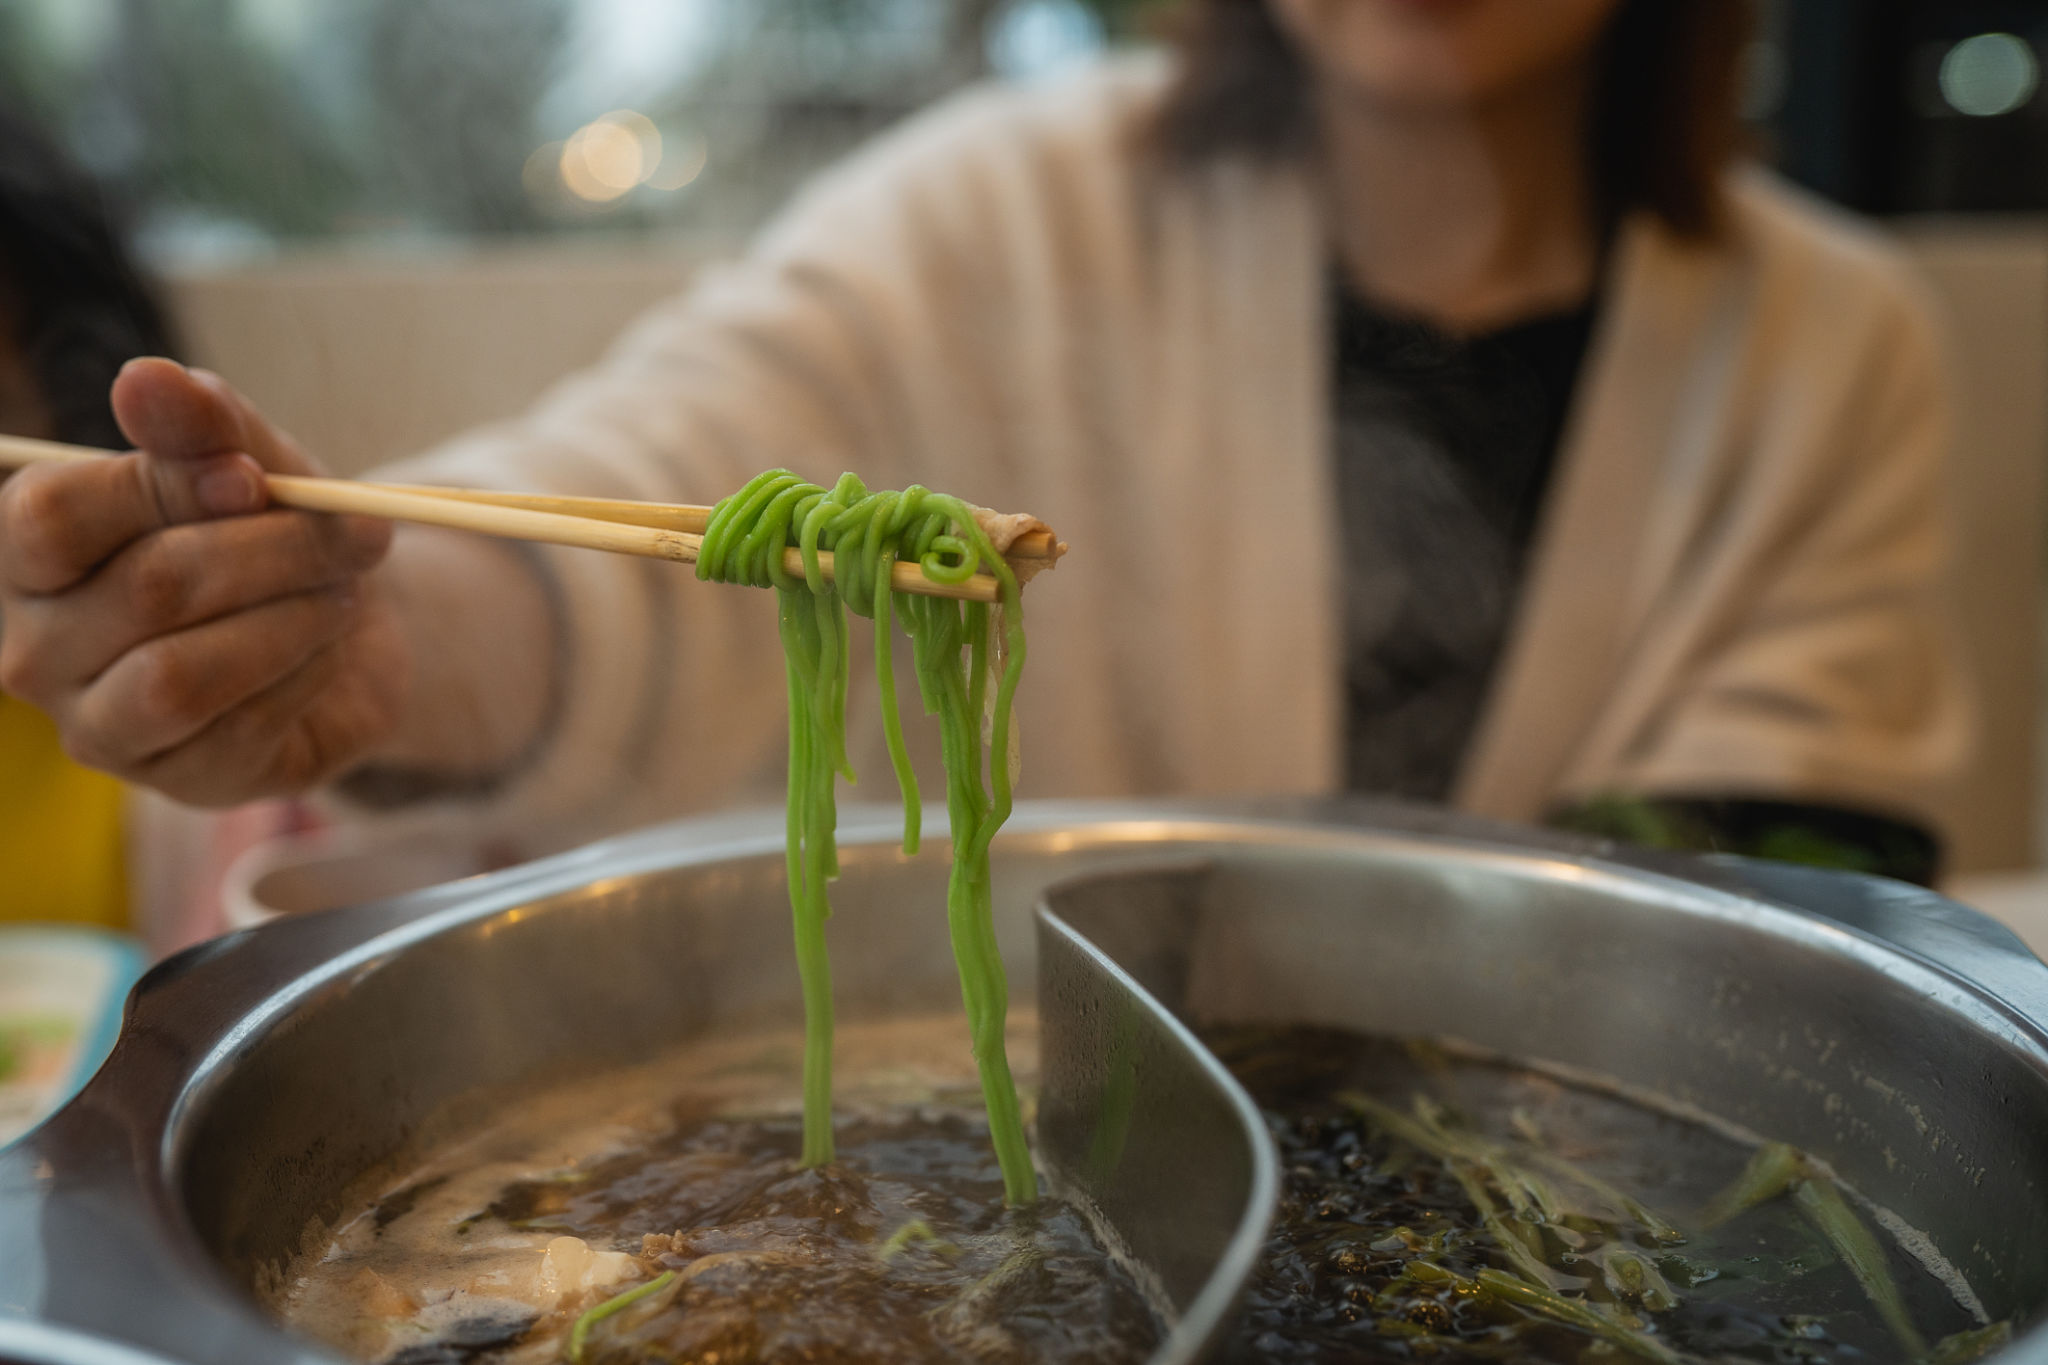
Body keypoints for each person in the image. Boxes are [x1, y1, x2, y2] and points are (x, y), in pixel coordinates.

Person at [0, 0, 1969, 889]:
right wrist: (377, 638)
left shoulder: (1831, 342)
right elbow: (643, 497)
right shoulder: (990, 214)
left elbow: (1781, 888)